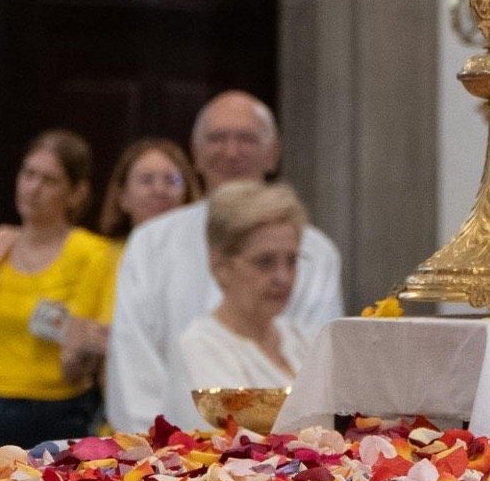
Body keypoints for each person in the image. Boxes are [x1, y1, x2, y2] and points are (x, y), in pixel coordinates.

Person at [105, 92, 343, 432]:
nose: (231, 152)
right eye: (217, 138)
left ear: (272, 154)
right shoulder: (151, 242)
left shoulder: (316, 250)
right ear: (195, 153)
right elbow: (133, 357)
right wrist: (153, 444)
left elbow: (319, 361)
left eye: (246, 138)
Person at [0, 130, 114, 447]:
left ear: (76, 193)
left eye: (49, 181)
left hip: (58, 411)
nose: (33, 188)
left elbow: (91, 345)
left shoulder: (92, 253)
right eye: (28, 174)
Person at [60, 139, 204, 386]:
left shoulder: (208, 260)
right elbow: (69, 368)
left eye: (171, 180)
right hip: (121, 403)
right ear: (123, 198)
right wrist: (88, 348)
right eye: (147, 180)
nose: (159, 189)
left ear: (187, 195)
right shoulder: (102, 259)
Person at [174, 182, 309, 403]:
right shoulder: (201, 347)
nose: (283, 277)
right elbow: (233, 425)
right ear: (221, 266)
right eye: (265, 262)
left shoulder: (301, 341)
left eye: (291, 261)